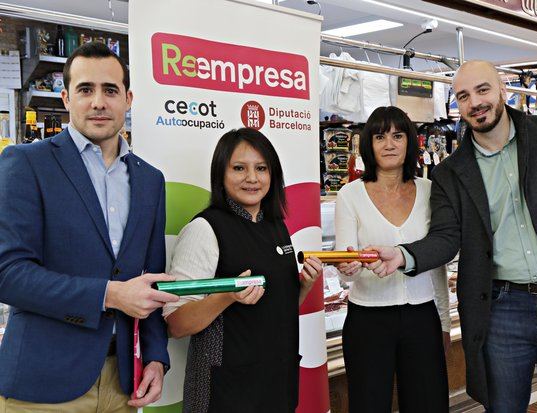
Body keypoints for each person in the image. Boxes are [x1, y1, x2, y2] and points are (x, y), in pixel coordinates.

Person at [366, 61, 537, 413]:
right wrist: (403, 255)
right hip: (501, 310)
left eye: (483, 90)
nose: (475, 103)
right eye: (464, 96)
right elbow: (446, 236)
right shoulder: (450, 173)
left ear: (502, 90)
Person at [0, 42, 179, 412]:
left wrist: (157, 358)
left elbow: (151, 281)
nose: (99, 102)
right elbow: (8, 274)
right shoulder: (26, 163)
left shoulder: (150, 181)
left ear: (128, 99)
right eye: (86, 89)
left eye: (110, 90)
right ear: (66, 98)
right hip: (43, 386)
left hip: (123, 383)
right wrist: (110, 295)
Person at [164, 128, 322, 413]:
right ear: (220, 175)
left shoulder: (275, 225)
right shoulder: (205, 229)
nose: (252, 178)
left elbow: (276, 307)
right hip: (225, 389)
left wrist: (304, 286)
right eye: (239, 168)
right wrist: (227, 295)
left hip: (276, 382)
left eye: (261, 168)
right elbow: (175, 323)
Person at [335, 106, 450, 413]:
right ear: (368, 145)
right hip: (367, 320)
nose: (389, 144)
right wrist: (348, 267)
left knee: (428, 404)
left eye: (398, 135)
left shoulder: (429, 190)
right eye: (380, 136)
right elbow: (346, 269)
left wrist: (444, 322)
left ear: (410, 142)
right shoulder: (350, 195)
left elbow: (438, 256)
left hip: (421, 317)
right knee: (369, 404)